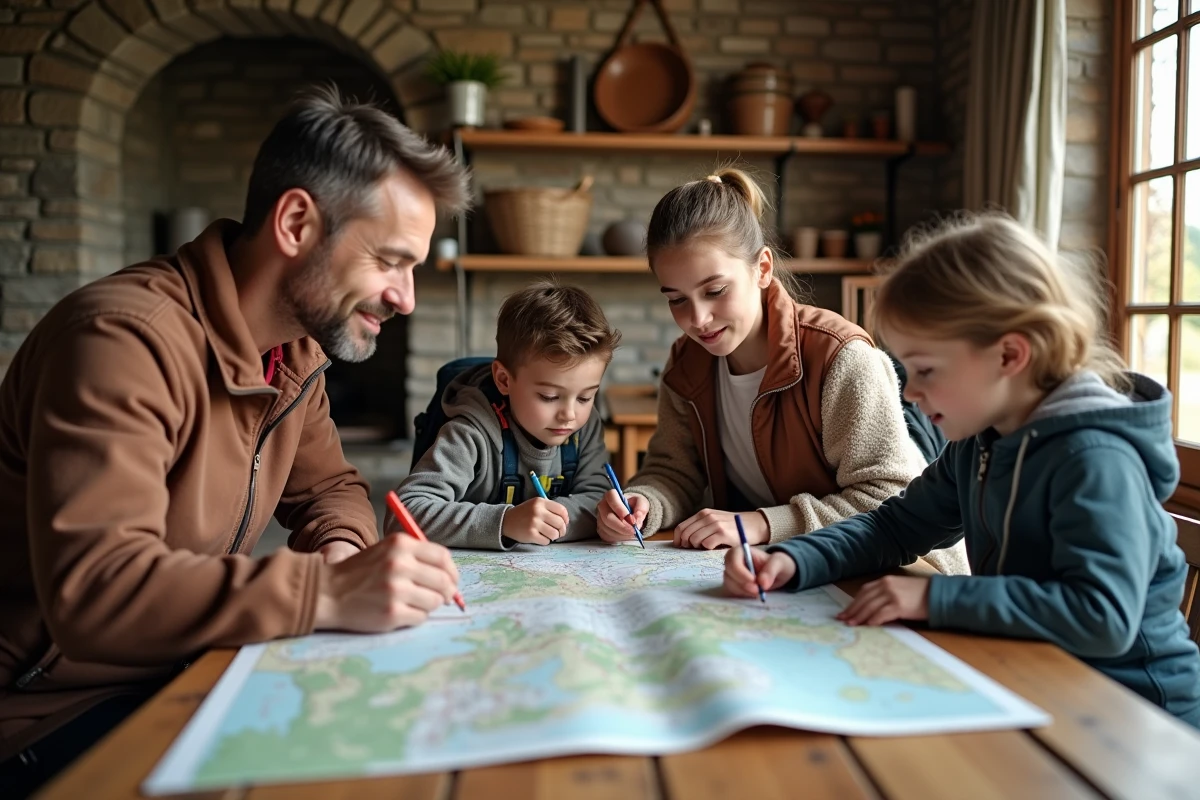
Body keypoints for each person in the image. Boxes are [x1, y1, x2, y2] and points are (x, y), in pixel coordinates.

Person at [0, 86, 472, 794]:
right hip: (46, 713)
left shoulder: (291, 354)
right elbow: (99, 591)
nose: (405, 297)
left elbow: (332, 489)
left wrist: (342, 548)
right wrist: (327, 590)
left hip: (184, 671)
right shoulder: (119, 341)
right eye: (390, 261)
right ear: (295, 223)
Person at [724, 213, 1200, 729]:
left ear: (1010, 355)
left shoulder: (1095, 459)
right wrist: (796, 558)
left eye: (925, 370)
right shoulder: (982, 440)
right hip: (1042, 681)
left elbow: (1101, 616)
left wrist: (935, 595)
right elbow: (896, 526)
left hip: (1138, 714)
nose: (910, 392)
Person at [595, 168, 967, 575]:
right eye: (677, 299)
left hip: (904, 568)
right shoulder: (686, 364)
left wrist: (760, 523)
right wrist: (645, 502)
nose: (698, 319)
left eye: (715, 291)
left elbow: (891, 500)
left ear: (763, 269)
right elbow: (674, 470)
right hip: (786, 568)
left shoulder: (841, 356)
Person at [395, 282, 620, 549]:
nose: (569, 415)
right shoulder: (470, 433)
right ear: (504, 379)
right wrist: (505, 522)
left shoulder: (586, 426)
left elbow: (596, 500)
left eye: (585, 397)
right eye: (549, 397)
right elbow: (404, 514)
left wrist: (607, 518)